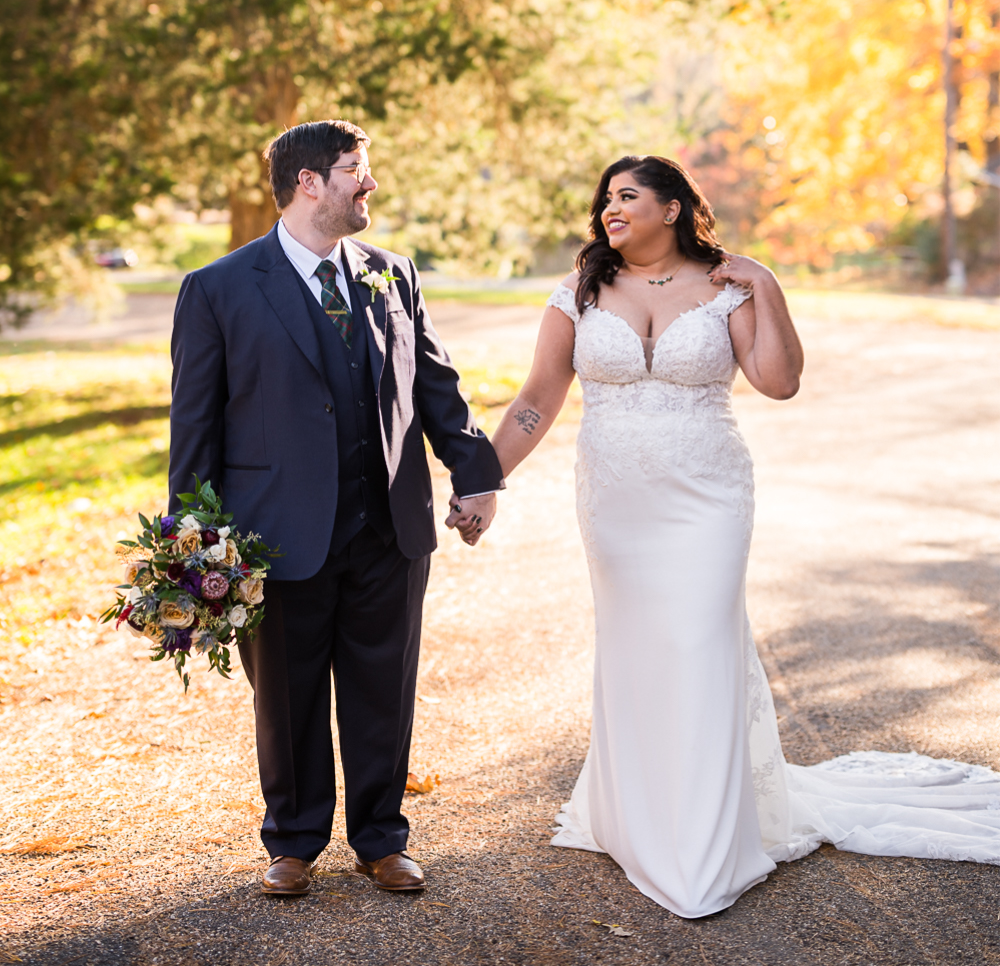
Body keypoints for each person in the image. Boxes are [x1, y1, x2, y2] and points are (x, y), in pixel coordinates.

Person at [489, 154, 1000, 918]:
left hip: (708, 498)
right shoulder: (580, 291)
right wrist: (483, 479)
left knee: (698, 644)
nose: (611, 210)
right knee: (636, 650)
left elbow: (778, 380)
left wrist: (767, 286)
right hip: (617, 503)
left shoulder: (727, 286)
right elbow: (537, 398)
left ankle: (702, 843)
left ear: (671, 208)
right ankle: (638, 817)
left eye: (628, 196)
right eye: (606, 200)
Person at [168, 120, 502, 898]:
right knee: (286, 697)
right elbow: (195, 427)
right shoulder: (217, 288)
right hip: (275, 534)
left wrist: (475, 474)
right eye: (357, 169)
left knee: (384, 687)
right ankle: (292, 842)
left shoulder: (393, 272)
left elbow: (437, 387)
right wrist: (194, 548)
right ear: (309, 182)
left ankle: (383, 839)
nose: (371, 184)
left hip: (390, 527)